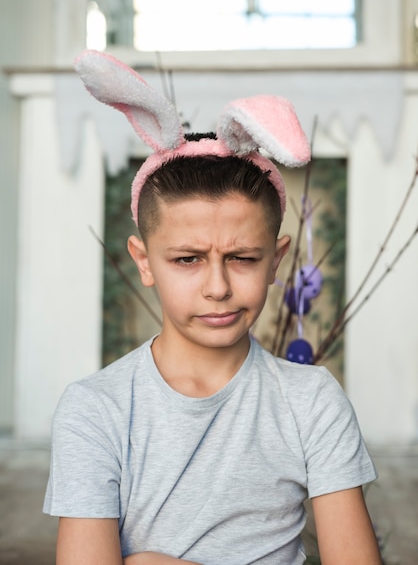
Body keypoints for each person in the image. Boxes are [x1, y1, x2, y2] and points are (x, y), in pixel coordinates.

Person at [43, 51, 382, 565]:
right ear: (145, 261)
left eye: (242, 258)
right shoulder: (95, 410)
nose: (218, 287)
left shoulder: (312, 402)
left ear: (277, 260)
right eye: (187, 260)